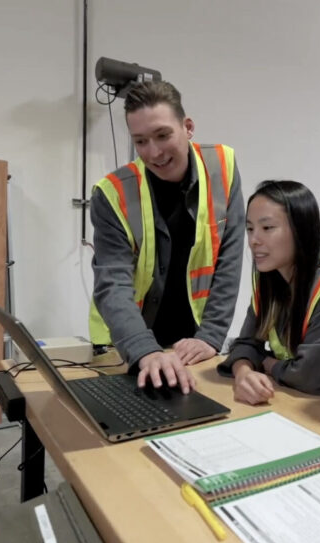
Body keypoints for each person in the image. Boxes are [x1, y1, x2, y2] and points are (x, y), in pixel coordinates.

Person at [90, 80, 244, 394]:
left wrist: (212, 335)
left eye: (162, 136)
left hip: (193, 344)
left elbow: (230, 256)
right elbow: (113, 283)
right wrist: (144, 350)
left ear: (187, 127)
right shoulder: (111, 193)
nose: (154, 152)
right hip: (127, 343)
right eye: (141, 141)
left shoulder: (222, 166)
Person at [217, 181, 320, 409]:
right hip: (292, 410)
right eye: (250, 229)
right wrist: (243, 372)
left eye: (267, 228)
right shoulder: (269, 280)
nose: (253, 240)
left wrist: (264, 362)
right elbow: (246, 343)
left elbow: (307, 378)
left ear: (301, 230)